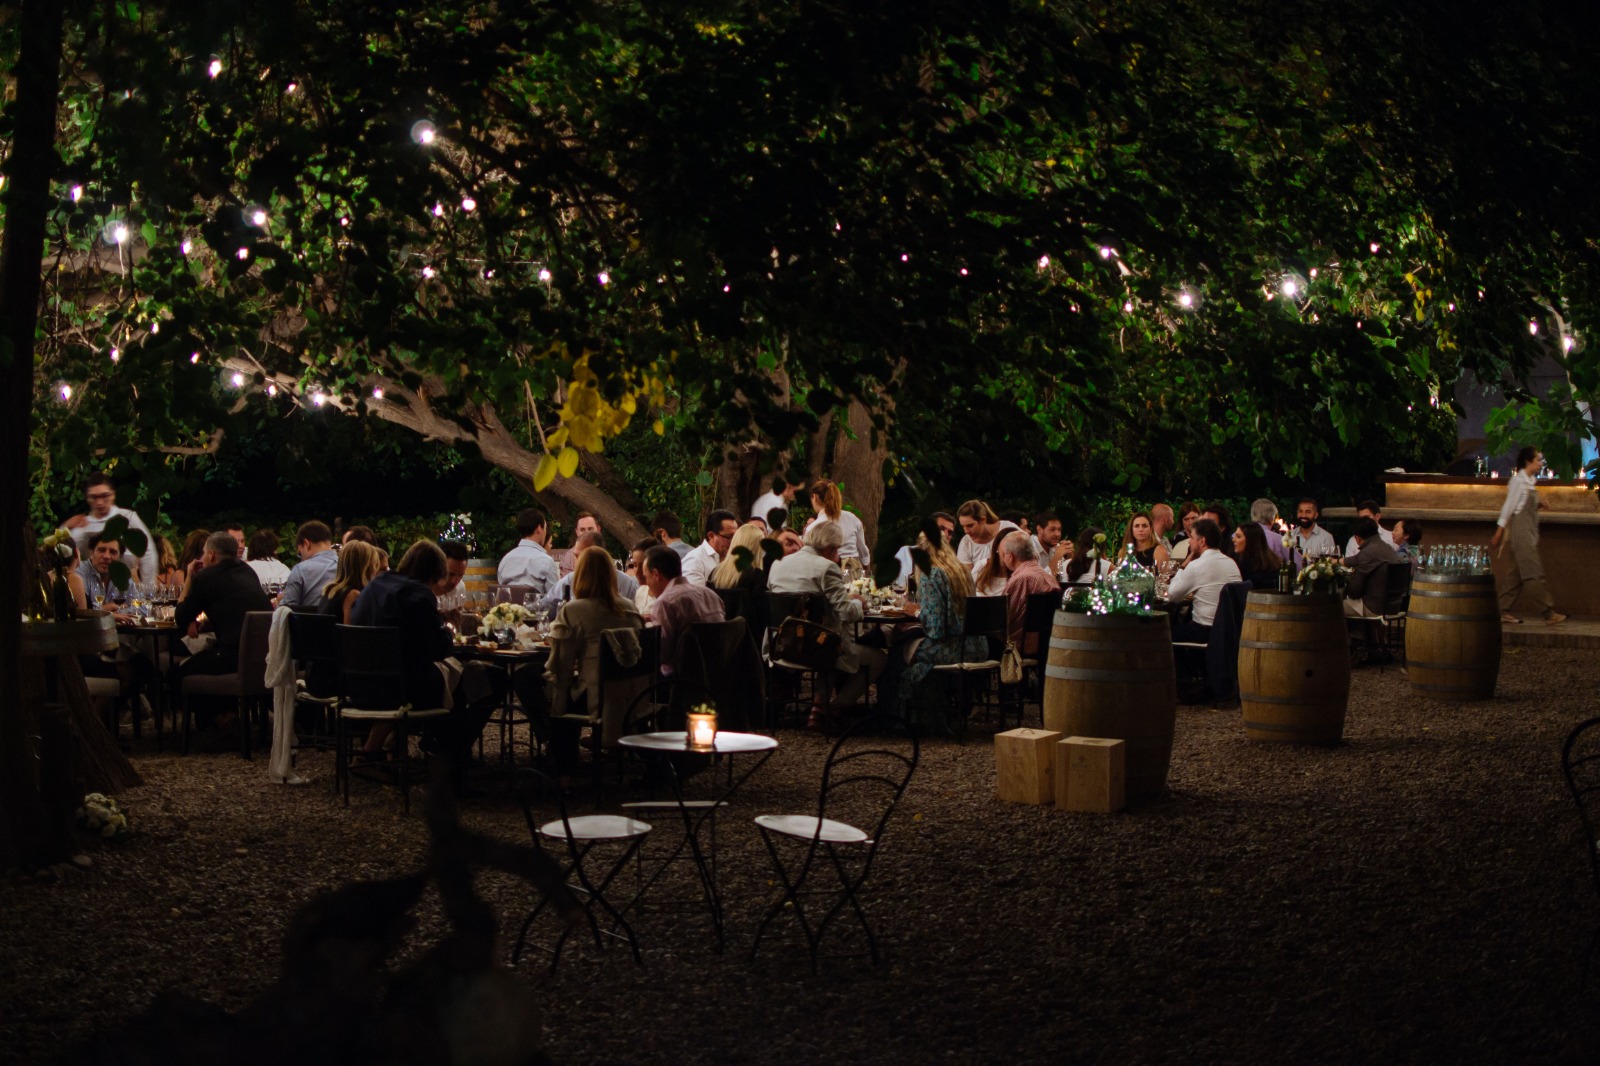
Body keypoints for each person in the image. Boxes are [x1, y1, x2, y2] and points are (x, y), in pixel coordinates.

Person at [349, 540, 504, 794]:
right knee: (490, 680)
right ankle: (450, 756)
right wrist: (447, 629)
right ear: (434, 574)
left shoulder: (376, 585)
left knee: (464, 678)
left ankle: (442, 749)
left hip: (361, 685)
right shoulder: (418, 594)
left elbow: (402, 628)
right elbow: (439, 648)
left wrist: (437, 620)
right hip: (403, 691)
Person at [768, 520, 887, 727]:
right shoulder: (826, 567)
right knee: (878, 658)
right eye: (837, 549)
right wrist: (859, 603)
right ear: (830, 548)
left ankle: (818, 708)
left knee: (833, 643)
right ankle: (836, 708)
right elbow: (847, 613)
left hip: (781, 644)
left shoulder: (778, 564)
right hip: (816, 648)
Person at [539, 546, 644, 764]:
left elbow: (562, 667)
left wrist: (558, 707)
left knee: (536, 680)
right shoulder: (630, 608)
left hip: (595, 698)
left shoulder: (574, 610)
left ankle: (563, 763)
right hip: (632, 697)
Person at [896, 526, 988, 733]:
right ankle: (933, 711)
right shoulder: (962, 571)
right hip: (977, 646)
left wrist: (916, 612)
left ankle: (902, 716)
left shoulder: (931, 574)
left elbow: (936, 630)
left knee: (898, 652)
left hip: (952, 648)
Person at [172, 531, 273, 683]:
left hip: (232, 657)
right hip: (264, 655)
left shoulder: (205, 577)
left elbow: (180, 617)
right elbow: (231, 608)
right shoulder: (247, 571)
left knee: (174, 673)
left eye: (205, 553)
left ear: (211, 555)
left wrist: (189, 578)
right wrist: (202, 621)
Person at [1491, 445, 1566, 624]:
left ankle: (1502, 609)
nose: (1541, 463)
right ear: (1528, 461)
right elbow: (1509, 507)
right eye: (1538, 460)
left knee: (1515, 575)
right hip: (1521, 533)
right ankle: (1548, 612)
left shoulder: (1530, 482)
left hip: (1529, 532)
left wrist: (1539, 505)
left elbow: (1522, 506)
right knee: (1532, 573)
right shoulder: (1518, 481)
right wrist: (1498, 532)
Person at [640, 545, 725, 671]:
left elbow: (662, 654)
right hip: (719, 672)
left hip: (681, 676)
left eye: (646, 577)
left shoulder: (665, 603)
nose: (645, 583)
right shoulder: (711, 595)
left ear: (656, 574)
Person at [64, 473, 158, 584]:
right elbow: (64, 555)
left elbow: (148, 554)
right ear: (88, 498)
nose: (99, 502)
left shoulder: (128, 518)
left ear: (112, 495)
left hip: (128, 587)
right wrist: (65, 527)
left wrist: (148, 588)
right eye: (94, 497)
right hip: (94, 588)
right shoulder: (83, 526)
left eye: (104, 496)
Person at [1164, 519, 1242, 644]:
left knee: (1162, 633)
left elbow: (1172, 595)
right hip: (1230, 631)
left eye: (1192, 537)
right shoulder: (1231, 563)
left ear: (1202, 541)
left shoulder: (1197, 565)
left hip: (1205, 631)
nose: (1189, 541)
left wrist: (1183, 567)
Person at [542, 531, 640, 609]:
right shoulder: (569, 580)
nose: (577, 562)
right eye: (576, 556)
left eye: (583, 556)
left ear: (599, 555)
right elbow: (545, 606)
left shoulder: (625, 583)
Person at [999, 532, 1058, 650]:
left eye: (1003, 554)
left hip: (1017, 648)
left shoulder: (1021, 579)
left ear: (1010, 556)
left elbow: (1003, 619)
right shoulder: (1050, 578)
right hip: (1047, 647)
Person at [1343, 516, 1400, 618]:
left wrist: (1346, 581)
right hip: (1393, 607)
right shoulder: (1388, 548)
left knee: (1332, 606)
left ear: (1357, 538)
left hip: (1373, 608)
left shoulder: (1367, 552)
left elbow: (1354, 592)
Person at [806, 479, 872, 567]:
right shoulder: (851, 518)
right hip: (854, 571)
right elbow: (864, 555)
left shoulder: (812, 527)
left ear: (814, 497)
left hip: (827, 571)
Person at [497, 507, 560, 597]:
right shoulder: (546, 561)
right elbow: (555, 598)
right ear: (539, 529)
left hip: (508, 606)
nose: (545, 533)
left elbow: (501, 593)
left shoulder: (505, 560)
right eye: (545, 528)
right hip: (535, 606)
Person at [278, 521, 340, 611]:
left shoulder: (301, 569)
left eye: (300, 553)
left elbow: (287, 611)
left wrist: (280, 600)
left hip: (309, 620)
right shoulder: (347, 566)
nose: (301, 558)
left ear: (306, 543)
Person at [955, 500, 1019, 582]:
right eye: (963, 526)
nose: (966, 531)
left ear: (983, 520)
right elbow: (967, 577)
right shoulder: (966, 542)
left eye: (970, 526)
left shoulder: (1007, 529)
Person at [321, 540, 383, 624]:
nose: (376, 571)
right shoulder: (354, 595)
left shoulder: (329, 590)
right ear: (367, 567)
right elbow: (350, 629)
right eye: (376, 565)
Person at [682, 509, 738, 586]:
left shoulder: (735, 557)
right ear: (711, 536)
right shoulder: (695, 560)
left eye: (735, 537)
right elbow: (695, 592)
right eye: (729, 537)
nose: (733, 541)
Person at [79, 531, 128, 607]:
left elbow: (141, 607)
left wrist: (115, 608)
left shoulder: (122, 574)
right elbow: (80, 610)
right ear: (91, 553)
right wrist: (106, 609)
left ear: (120, 558)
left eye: (113, 552)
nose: (106, 556)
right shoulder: (79, 573)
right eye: (101, 550)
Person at [1231, 522, 1282, 591]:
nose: (1233, 540)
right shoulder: (1273, 561)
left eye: (1238, 536)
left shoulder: (1244, 565)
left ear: (1250, 540)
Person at [557, 512, 602, 576]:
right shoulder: (568, 559)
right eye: (582, 530)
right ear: (577, 532)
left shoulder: (604, 553)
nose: (586, 533)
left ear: (598, 530)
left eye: (590, 529)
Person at [435, 539, 470, 620]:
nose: (455, 581)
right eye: (450, 574)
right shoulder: (423, 591)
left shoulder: (460, 587)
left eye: (460, 575)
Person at [625, 537, 660, 614]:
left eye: (642, 566)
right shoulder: (640, 592)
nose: (638, 571)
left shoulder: (666, 597)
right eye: (635, 565)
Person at [1031, 511, 1070, 579]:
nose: (1057, 534)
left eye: (1059, 530)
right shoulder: (1029, 548)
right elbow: (1038, 581)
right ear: (1039, 529)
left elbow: (1061, 575)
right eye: (1052, 530)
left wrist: (1069, 559)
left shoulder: (1055, 546)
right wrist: (1058, 555)